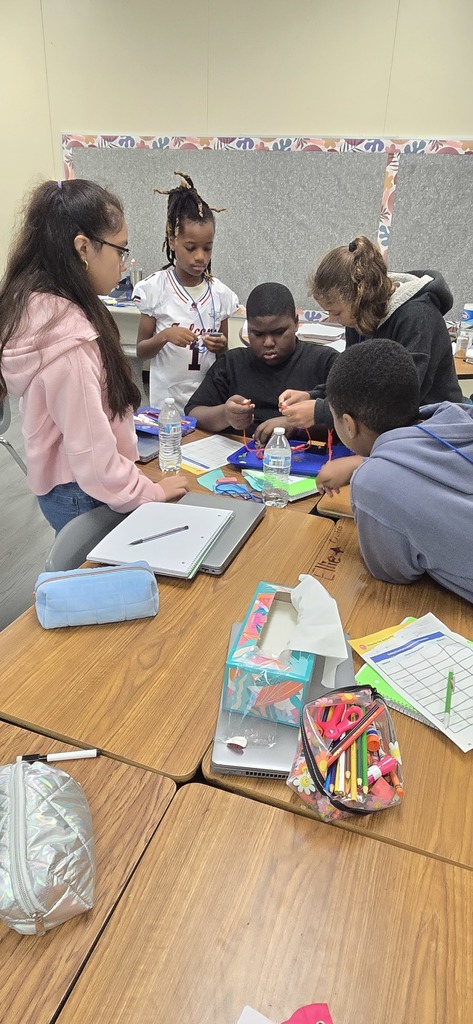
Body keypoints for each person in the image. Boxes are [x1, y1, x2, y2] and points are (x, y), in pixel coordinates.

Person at [0, 179, 189, 534]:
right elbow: (94, 461)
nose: (123, 264)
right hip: (83, 493)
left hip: (65, 484)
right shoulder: (67, 341)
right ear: (83, 248)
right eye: (119, 251)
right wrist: (151, 493)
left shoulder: (37, 304)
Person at [279, 235, 463, 460]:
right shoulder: (358, 316)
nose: (333, 319)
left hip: (434, 437)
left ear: (360, 297)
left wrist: (321, 411)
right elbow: (353, 380)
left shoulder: (418, 317)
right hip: (390, 434)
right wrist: (312, 395)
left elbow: (397, 400)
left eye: (335, 312)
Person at [324, 339, 473, 603]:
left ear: (348, 424)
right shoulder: (455, 414)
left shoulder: (374, 483)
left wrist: (365, 470)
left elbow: (394, 572)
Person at [134, 171, 239, 415]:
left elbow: (223, 354)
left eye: (208, 248)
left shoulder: (221, 295)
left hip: (207, 402)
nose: (200, 256)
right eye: (191, 248)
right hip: (166, 403)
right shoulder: (156, 289)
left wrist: (220, 345)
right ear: (172, 240)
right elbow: (141, 350)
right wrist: (165, 336)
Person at [184, 282, 338, 443]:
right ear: (248, 328)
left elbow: (348, 417)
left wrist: (294, 424)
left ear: (296, 322)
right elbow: (193, 413)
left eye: (279, 332)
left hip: (308, 462)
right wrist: (226, 415)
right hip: (239, 458)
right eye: (258, 334)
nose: (268, 343)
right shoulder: (232, 363)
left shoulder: (325, 362)